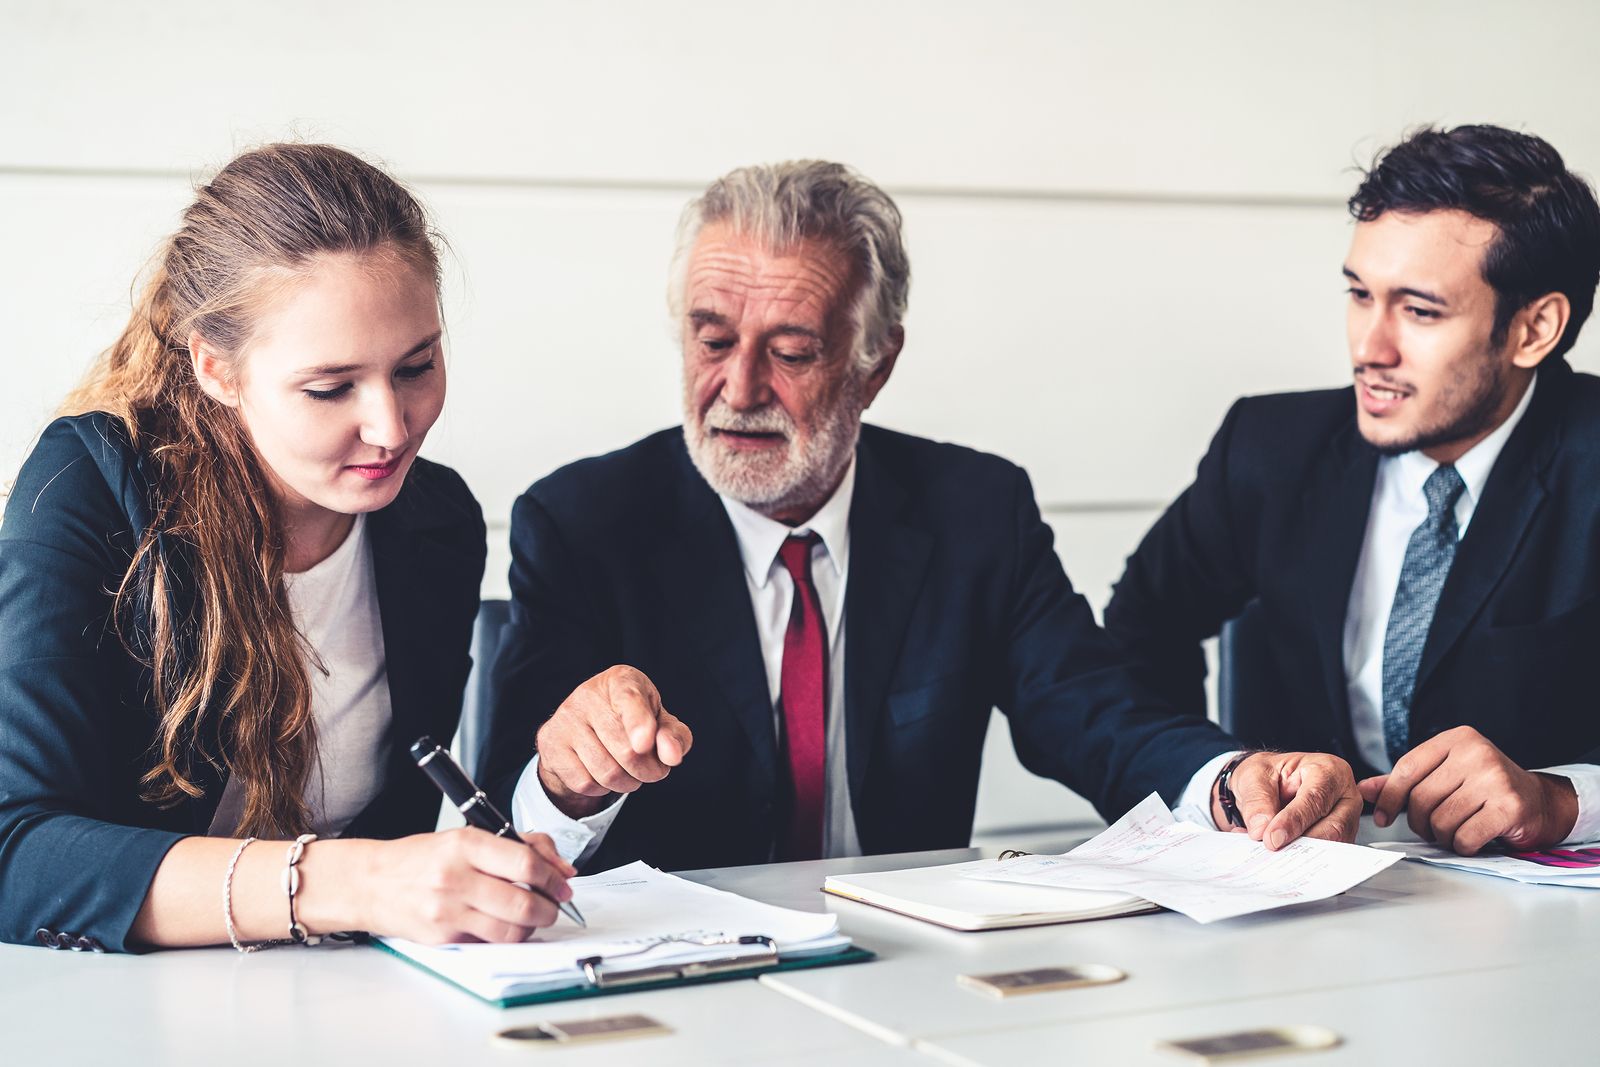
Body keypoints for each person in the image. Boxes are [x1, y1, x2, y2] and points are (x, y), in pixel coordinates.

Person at [482, 160, 1360, 873]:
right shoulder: (583, 523)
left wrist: (1229, 779)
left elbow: (1093, 711)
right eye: (712, 339)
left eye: (790, 352)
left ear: (875, 364)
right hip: (674, 983)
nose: (738, 388)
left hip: (910, 968)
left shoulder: (976, 511)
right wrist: (566, 781)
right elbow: (501, 816)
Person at [0, 144, 575, 953]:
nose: (392, 427)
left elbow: (400, 827)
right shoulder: (86, 487)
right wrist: (359, 881)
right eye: (330, 387)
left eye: (417, 366)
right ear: (216, 367)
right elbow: (17, 855)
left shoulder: (434, 522)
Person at [1103, 125, 1600, 857]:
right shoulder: (1269, 448)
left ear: (1534, 328)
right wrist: (1220, 783)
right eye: (1360, 295)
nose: (1370, 348)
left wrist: (1563, 798)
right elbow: (1133, 640)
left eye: (1420, 310)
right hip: (1300, 898)